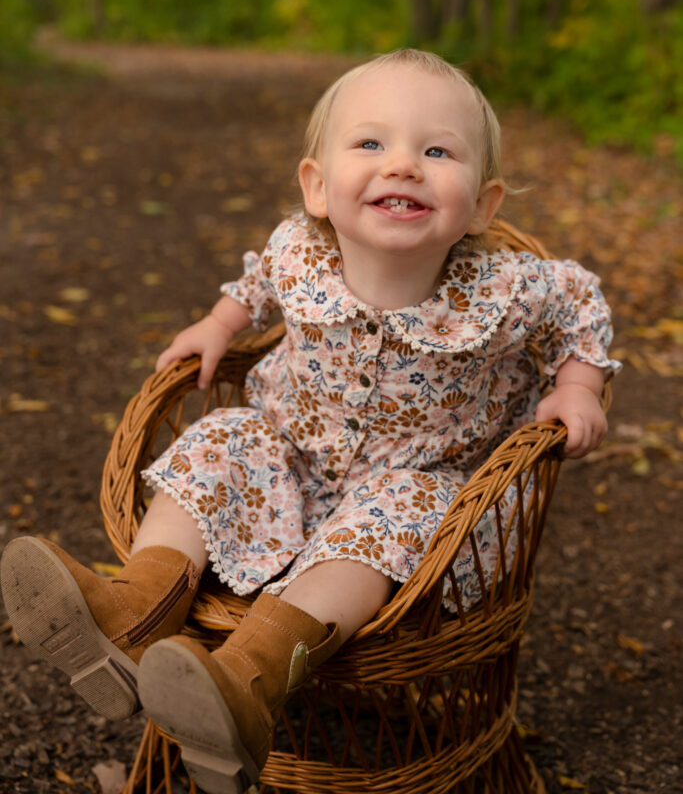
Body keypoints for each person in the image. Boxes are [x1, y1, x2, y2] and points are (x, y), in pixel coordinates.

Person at [1, 49, 620, 794]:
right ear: (317, 187)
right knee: (220, 438)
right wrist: (218, 324)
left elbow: (578, 303)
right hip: (286, 462)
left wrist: (577, 385)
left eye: (435, 150)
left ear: (482, 206)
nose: (402, 165)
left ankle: (247, 680)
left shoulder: (506, 287)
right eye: (370, 143)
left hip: (412, 492)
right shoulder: (298, 249)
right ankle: (132, 611)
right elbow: (256, 282)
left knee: (401, 507)